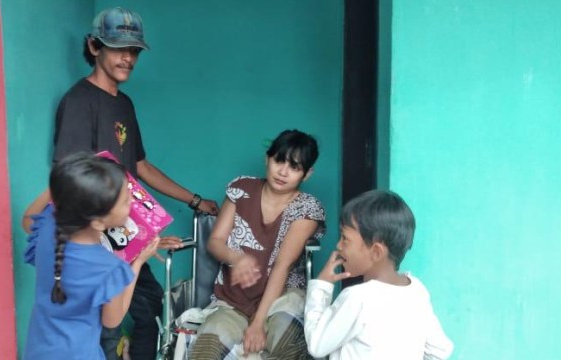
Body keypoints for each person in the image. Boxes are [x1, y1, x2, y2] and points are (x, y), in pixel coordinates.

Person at [52, 7, 219, 359]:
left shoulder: (124, 104)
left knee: (148, 307)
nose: (127, 58)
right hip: (95, 235)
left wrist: (194, 201)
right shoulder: (79, 102)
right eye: (117, 48)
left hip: (124, 232)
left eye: (134, 51)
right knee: (107, 326)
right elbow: (70, 177)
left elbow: (138, 166)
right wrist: (102, 241)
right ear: (94, 47)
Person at [189, 129, 326, 359]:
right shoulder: (241, 189)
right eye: (279, 161)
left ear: (307, 174)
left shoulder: (308, 208)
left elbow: (282, 266)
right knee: (206, 350)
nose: (283, 172)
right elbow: (215, 242)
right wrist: (237, 258)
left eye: (295, 167)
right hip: (233, 299)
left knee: (287, 346)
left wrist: (258, 322)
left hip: (283, 297)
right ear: (267, 158)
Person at [22, 152, 161, 359]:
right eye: (124, 201)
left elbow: (27, 220)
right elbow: (112, 320)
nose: (131, 201)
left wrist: (64, 187)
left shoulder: (49, 228)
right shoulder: (110, 268)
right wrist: (138, 262)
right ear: (98, 222)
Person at [304, 190, 454, 359]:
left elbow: (317, 345)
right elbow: (440, 350)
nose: (339, 245)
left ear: (376, 252)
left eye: (345, 238)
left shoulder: (357, 298)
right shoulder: (417, 290)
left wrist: (321, 286)